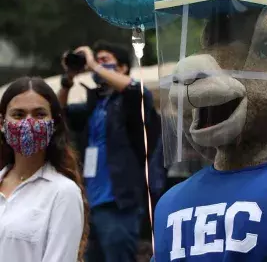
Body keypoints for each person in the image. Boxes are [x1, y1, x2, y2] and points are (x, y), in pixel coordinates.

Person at [58, 40, 158, 262]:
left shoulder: (130, 102)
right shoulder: (95, 103)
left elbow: (137, 91)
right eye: (96, 60)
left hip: (118, 203)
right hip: (89, 205)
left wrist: (93, 64)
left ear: (122, 68)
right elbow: (58, 114)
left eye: (105, 60)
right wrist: (68, 79)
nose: (97, 64)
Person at [0, 76, 88, 262]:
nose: (28, 123)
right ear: (2, 123)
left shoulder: (63, 192)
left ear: (54, 124)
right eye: (19, 115)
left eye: (39, 114)